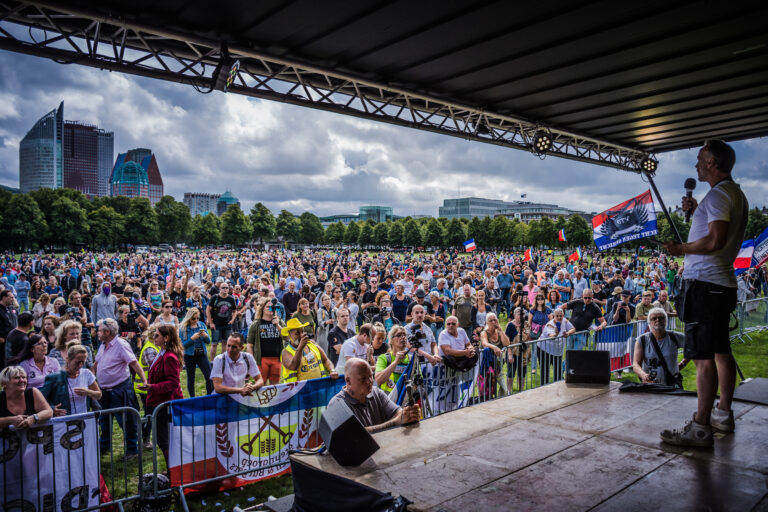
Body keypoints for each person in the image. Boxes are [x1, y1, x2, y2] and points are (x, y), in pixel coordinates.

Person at [661, 140, 748, 447]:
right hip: (721, 284)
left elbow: (715, 241)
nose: (696, 165)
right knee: (721, 350)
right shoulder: (731, 195)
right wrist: (699, 209)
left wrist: (681, 248)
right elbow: (715, 232)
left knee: (702, 357)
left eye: (700, 159)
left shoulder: (720, 195)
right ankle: (722, 414)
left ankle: (700, 426)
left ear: (712, 163)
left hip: (705, 285)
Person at [94, 318, 147, 459]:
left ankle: (132, 450)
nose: (97, 332)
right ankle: (104, 445)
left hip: (120, 389)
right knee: (104, 420)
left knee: (126, 421)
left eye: (99, 330)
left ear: (107, 332)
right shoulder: (102, 345)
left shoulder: (120, 344)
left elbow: (134, 363)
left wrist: (144, 381)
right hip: (103, 390)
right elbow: (97, 363)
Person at [327, 358, 419, 432]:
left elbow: (397, 412)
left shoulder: (376, 392)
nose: (369, 382)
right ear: (348, 381)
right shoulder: (337, 404)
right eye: (363, 379)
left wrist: (408, 414)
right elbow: (355, 435)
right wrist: (394, 422)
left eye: (370, 376)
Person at [139, 325, 184, 465]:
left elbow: (173, 383)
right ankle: (174, 471)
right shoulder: (161, 352)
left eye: (157, 335)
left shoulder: (169, 356)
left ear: (166, 338)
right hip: (158, 402)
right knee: (164, 439)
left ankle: (174, 473)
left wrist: (152, 387)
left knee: (164, 440)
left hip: (165, 404)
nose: (154, 337)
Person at [40, 343, 101, 416]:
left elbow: (99, 395)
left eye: (83, 362)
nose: (80, 365)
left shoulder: (87, 373)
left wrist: (88, 392)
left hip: (83, 420)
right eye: (77, 362)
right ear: (68, 359)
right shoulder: (54, 378)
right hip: (63, 421)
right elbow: (40, 400)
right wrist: (52, 409)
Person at [633, 307, 689, 386]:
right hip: (651, 384)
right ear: (649, 322)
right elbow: (635, 364)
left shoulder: (674, 336)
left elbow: (693, 346)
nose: (657, 320)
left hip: (672, 383)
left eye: (661, 318)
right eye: (654, 318)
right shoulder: (642, 340)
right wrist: (644, 376)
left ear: (666, 321)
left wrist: (683, 363)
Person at [280, 317, 338, 382]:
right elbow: (293, 366)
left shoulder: (312, 344)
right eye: (297, 333)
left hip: (319, 387)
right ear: (289, 335)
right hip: (299, 390)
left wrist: (332, 370)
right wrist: (300, 347)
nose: (301, 335)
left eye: (302, 331)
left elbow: (325, 360)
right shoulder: (286, 352)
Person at [246, 297, 286, 385]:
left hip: (277, 359)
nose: (271, 309)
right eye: (268, 307)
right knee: (261, 386)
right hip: (261, 360)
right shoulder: (256, 324)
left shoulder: (279, 322)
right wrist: (251, 362)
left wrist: (278, 325)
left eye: (273, 307)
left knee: (275, 387)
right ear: (263, 308)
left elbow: (286, 337)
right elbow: (249, 345)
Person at [179, 307, 213, 396]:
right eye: (194, 318)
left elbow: (208, 342)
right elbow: (181, 346)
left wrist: (206, 336)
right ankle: (192, 398)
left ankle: (209, 396)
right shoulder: (183, 328)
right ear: (189, 318)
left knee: (209, 377)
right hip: (189, 355)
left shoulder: (201, 325)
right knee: (191, 379)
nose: (196, 320)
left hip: (202, 354)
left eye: (198, 318)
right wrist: (192, 339)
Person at [538, 308, 575, 384]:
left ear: (563, 315)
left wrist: (568, 333)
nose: (559, 318)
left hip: (557, 350)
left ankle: (558, 386)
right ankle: (544, 387)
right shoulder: (550, 324)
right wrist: (556, 334)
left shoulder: (565, 321)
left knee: (558, 371)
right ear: (554, 316)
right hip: (545, 349)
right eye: (557, 316)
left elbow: (573, 328)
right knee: (545, 370)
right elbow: (551, 336)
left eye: (560, 316)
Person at [206, 281, 237, 362]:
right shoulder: (215, 298)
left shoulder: (231, 298)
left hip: (227, 324)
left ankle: (223, 361)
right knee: (214, 344)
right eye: (223, 287)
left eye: (227, 288)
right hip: (216, 324)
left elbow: (235, 311)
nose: (225, 289)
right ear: (219, 289)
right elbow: (208, 310)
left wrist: (232, 320)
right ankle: (212, 362)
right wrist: (211, 322)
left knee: (225, 344)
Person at [374, 326, 410, 393]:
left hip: (405, 399)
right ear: (391, 341)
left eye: (404, 335)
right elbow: (378, 380)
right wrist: (395, 362)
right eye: (399, 335)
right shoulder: (383, 358)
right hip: (388, 399)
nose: (403, 337)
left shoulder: (411, 359)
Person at [0, 289, 19, 368]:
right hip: (2, 342)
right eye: (11, 297)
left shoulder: (11, 308)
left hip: (13, 340)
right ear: (4, 297)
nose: (13, 299)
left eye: (13, 297)